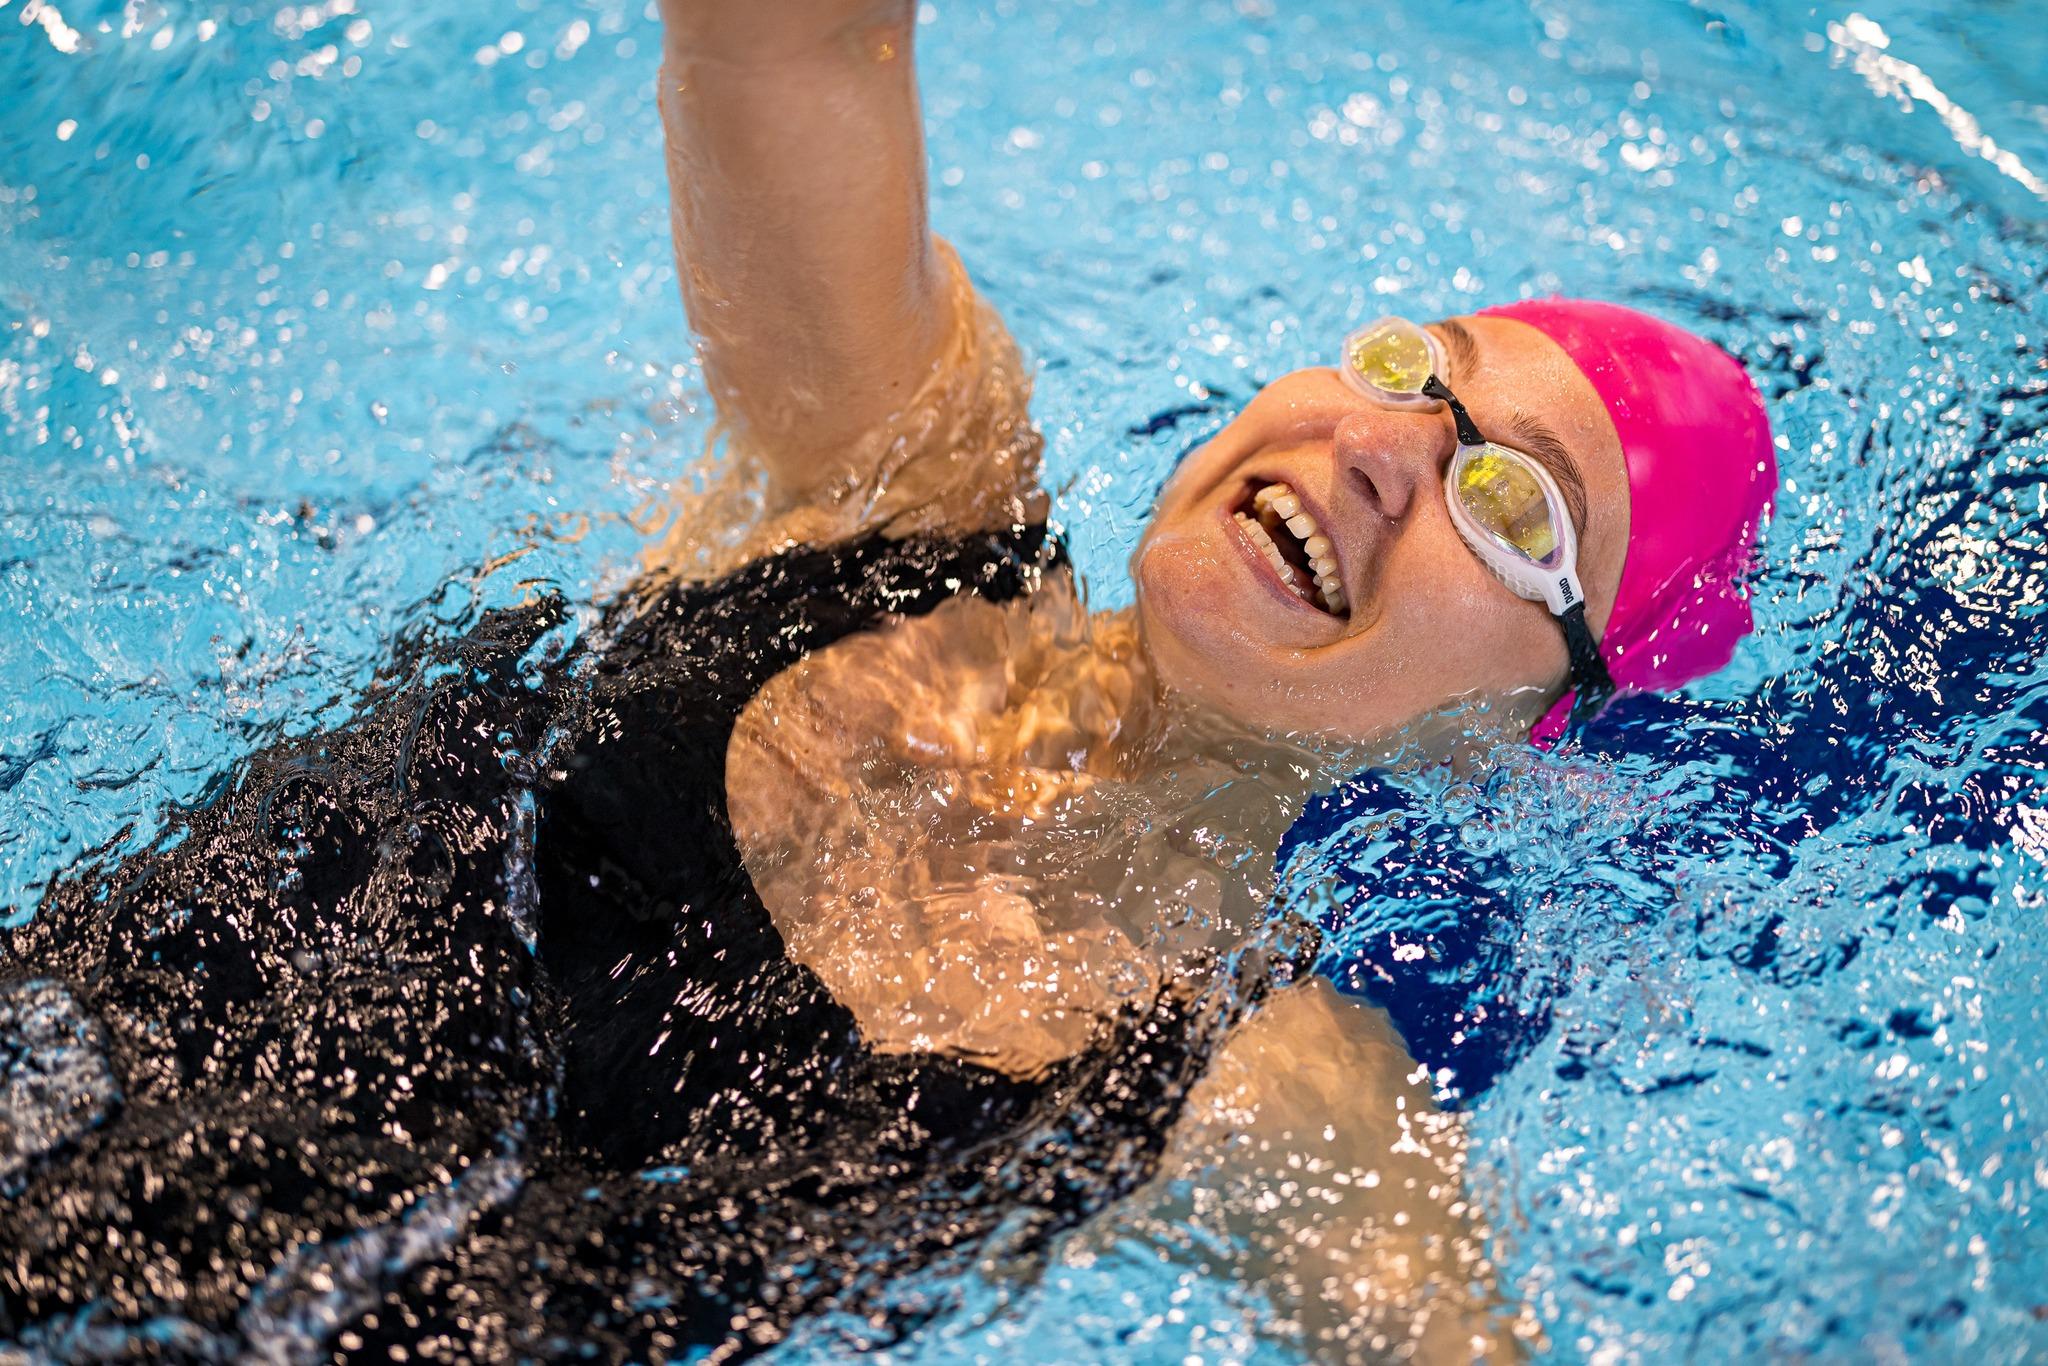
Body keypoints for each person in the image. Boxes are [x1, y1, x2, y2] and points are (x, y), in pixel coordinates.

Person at [0, 1, 1774, 1360]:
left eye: (1509, 501)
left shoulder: (1271, 1089)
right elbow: (790, 38)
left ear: (1535, 730)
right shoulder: (903, 480)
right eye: (1409, 366)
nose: (1388, 446)